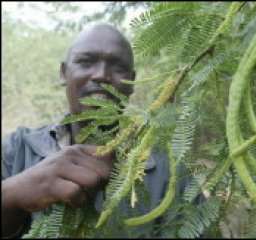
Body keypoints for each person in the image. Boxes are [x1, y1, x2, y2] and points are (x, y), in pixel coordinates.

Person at [2, 23, 204, 238]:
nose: (101, 75)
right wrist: (10, 196)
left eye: (117, 66)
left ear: (132, 82)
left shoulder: (171, 172)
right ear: (63, 73)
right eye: (86, 61)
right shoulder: (14, 151)